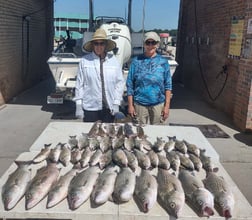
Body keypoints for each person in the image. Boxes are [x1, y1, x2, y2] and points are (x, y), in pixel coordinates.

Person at [74, 28, 125, 123]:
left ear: (105, 45)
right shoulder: (84, 61)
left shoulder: (113, 60)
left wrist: (116, 103)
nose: (99, 46)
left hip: (109, 106)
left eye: (102, 43)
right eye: (96, 43)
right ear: (93, 45)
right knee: (91, 134)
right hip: (90, 107)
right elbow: (79, 84)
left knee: (108, 134)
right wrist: (78, 105)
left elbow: (120, 83)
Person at [126, 31, 172, 125]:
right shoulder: (136, 61)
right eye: (148, 43)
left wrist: (167, 106)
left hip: (158, 104)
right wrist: (130, 105)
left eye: (153, 43)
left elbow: (168, 85)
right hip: (139, 105)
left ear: (157, 44)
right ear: (144, 44)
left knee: (158, 134)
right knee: (139, 133)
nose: (150, 45)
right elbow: (130, 84)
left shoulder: (163, 62)